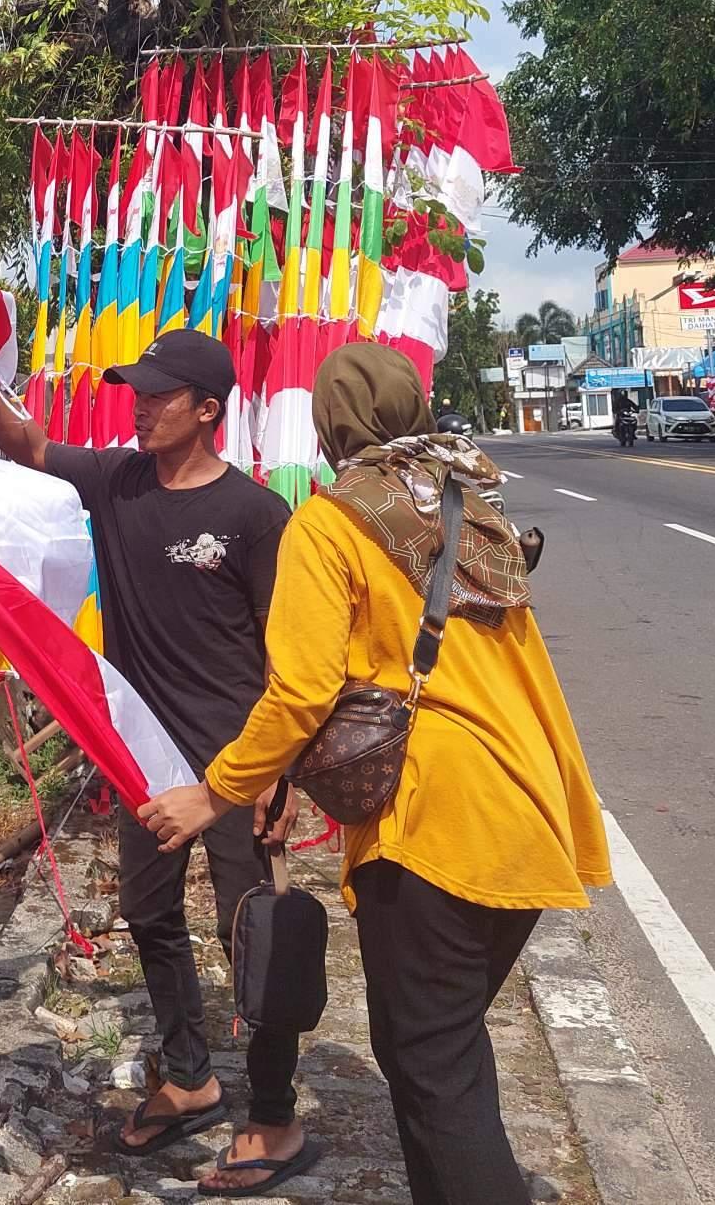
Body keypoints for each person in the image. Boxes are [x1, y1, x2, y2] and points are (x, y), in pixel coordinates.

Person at [141, 342, 610, 1205]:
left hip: (439, 822)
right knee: (433, 1049)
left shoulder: (332, 520)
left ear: (330, 425)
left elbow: (300, 691)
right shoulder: (465, 502)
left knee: (432, 1062)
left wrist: (214, 793)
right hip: (528, 803)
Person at [0, 329, 315, 1197]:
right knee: (150, 918)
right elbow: (30, 447)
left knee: (251, 938)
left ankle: (275, 1115)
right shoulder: (117, 482)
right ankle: (190, 1075)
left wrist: (278, 775)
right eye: (136, 392)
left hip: (233, 765)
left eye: (157, 395)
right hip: (143, 757)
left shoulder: (257, 516)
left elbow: (289, 655)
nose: (139, 405)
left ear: (208, 410)